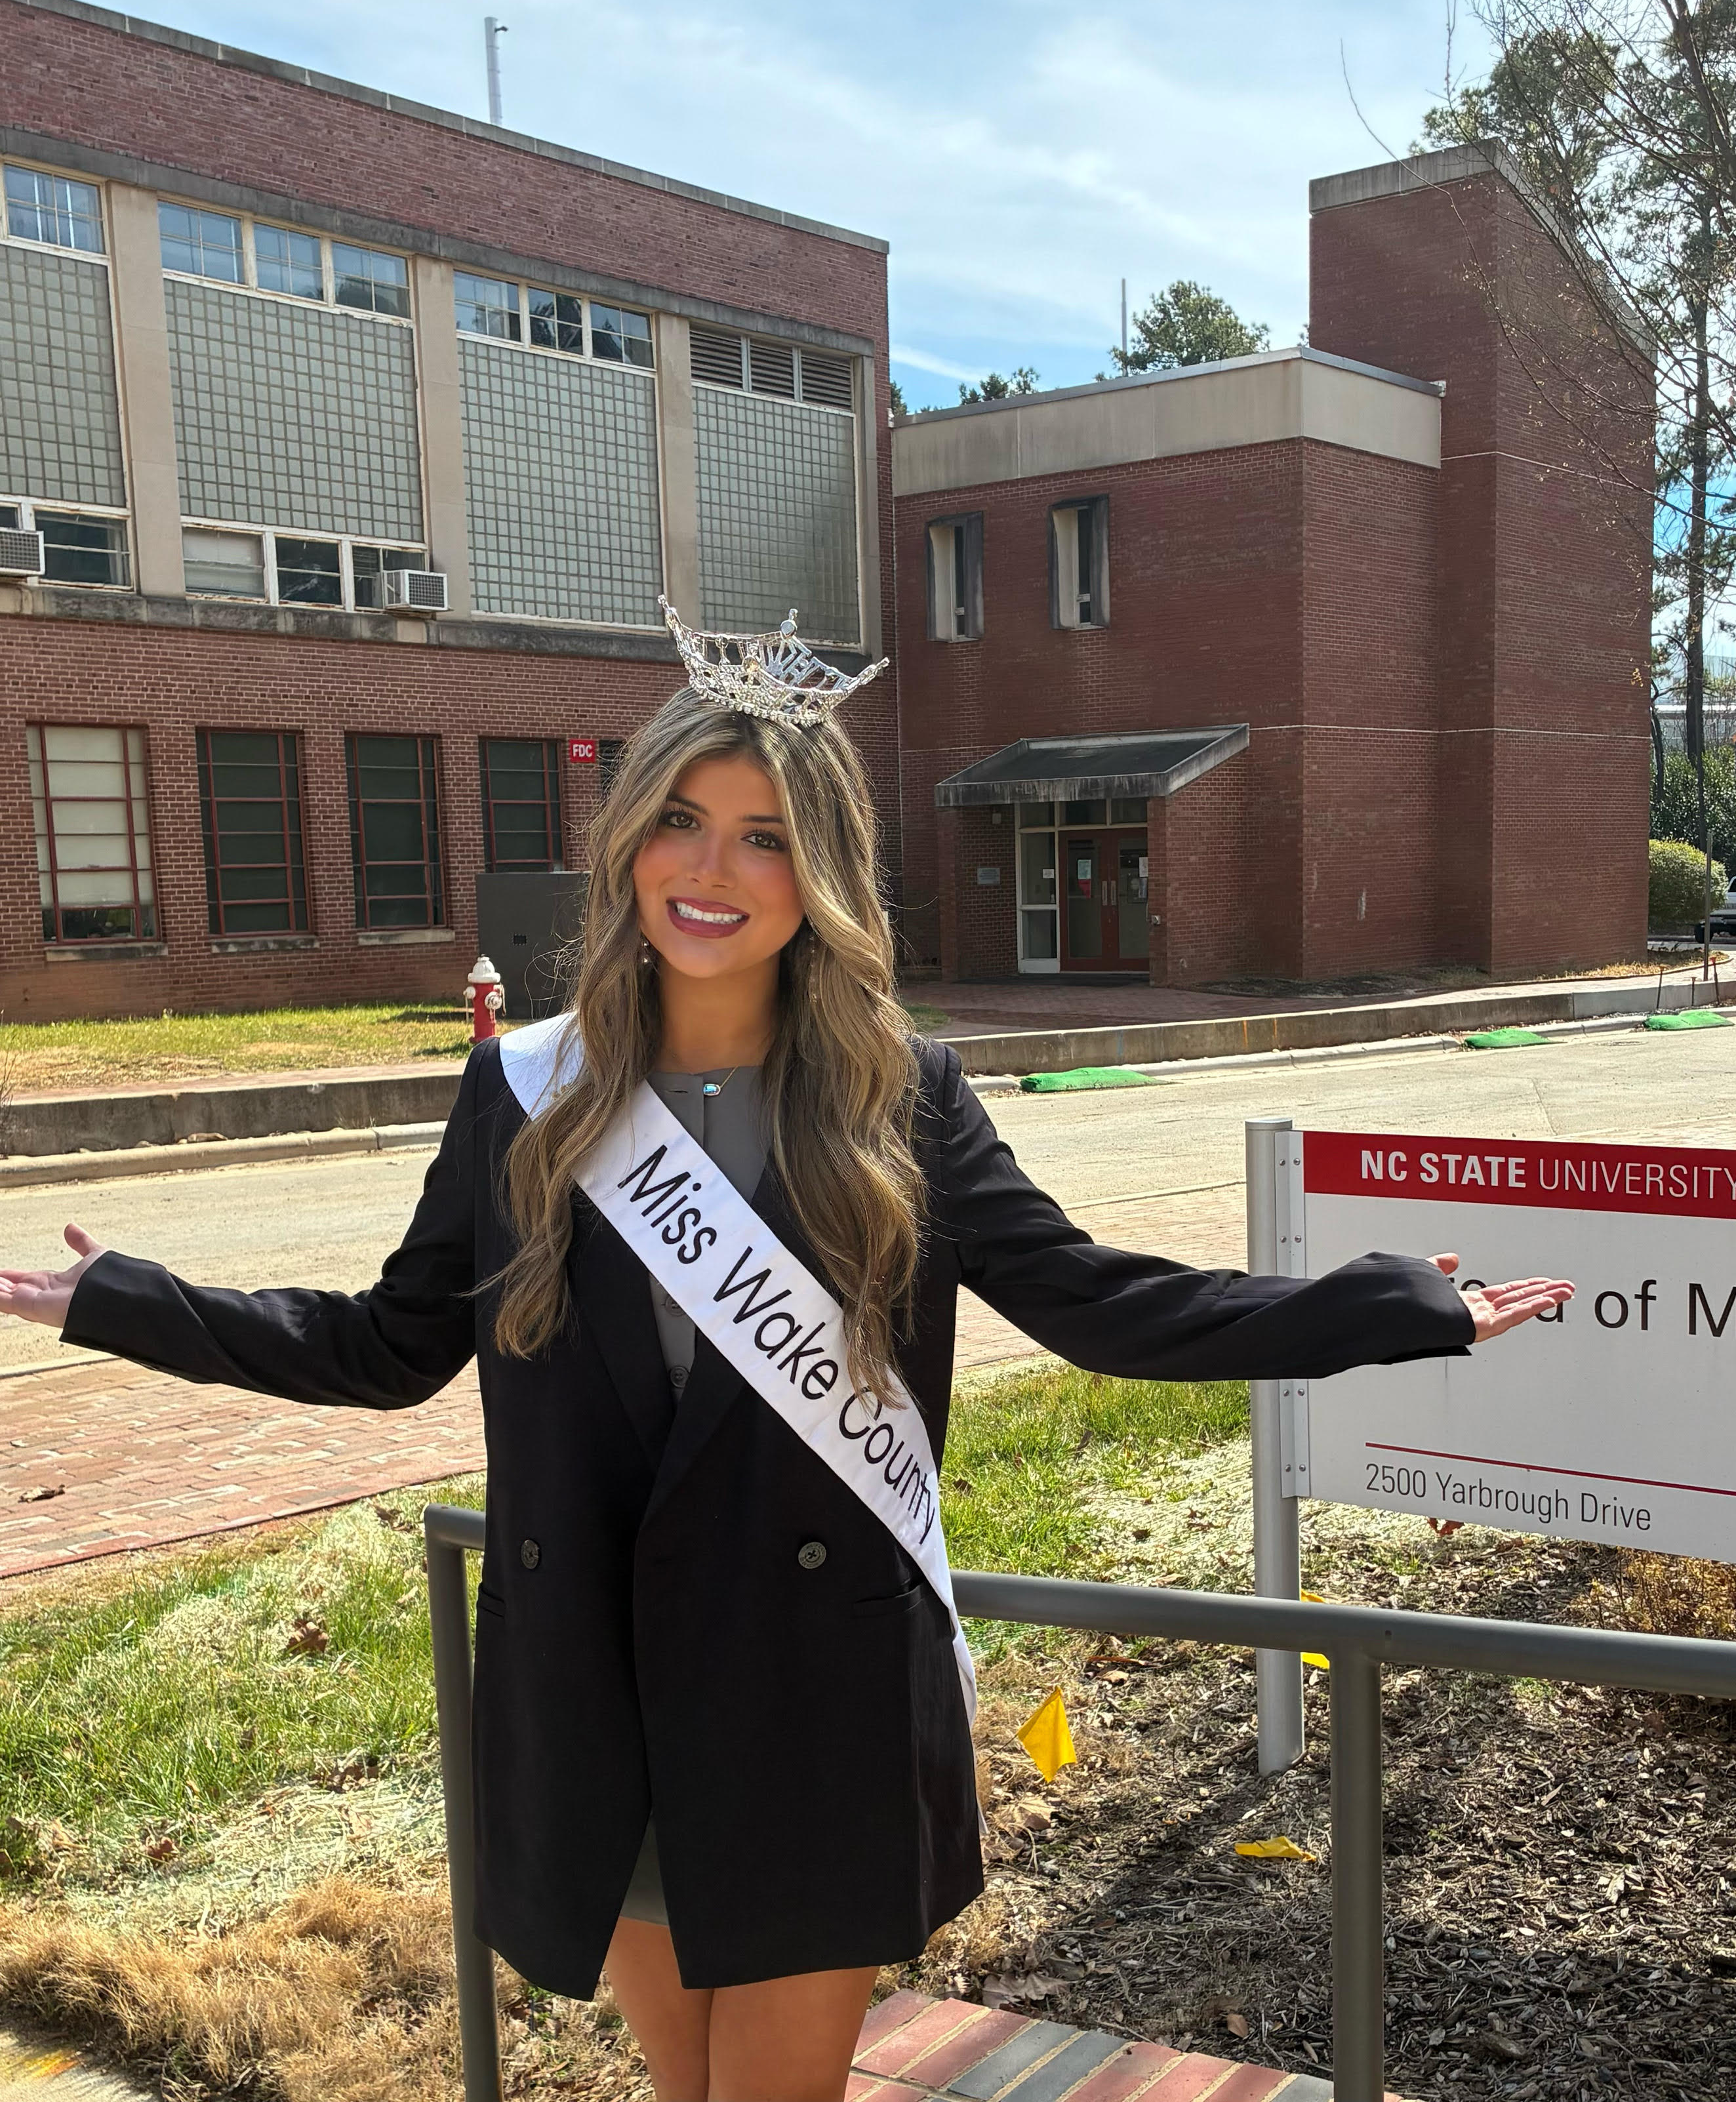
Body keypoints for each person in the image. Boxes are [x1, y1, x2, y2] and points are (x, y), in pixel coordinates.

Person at [0, 605, 1573, 2102]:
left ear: (818, 871)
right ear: (627, 835)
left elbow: (1095, 1300)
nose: (711, 868)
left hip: (813, 1688)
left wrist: (1384, 1305)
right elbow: (387, 1343)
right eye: (681, 819)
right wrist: (124, 1299)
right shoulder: (525, 1093)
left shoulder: (901, 1096)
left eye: (764, 836)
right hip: (599, 1682)